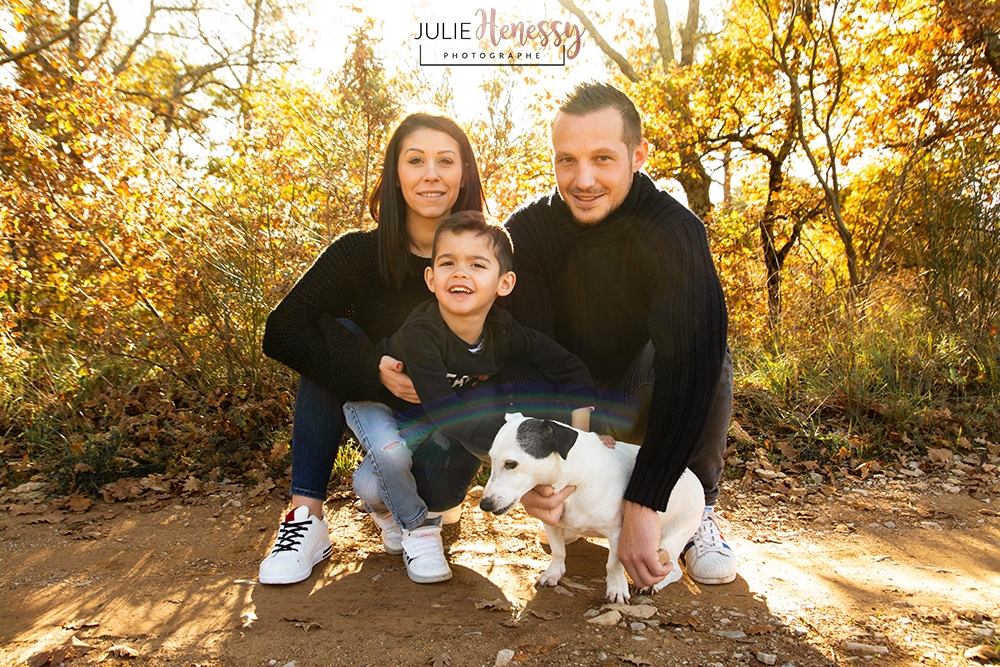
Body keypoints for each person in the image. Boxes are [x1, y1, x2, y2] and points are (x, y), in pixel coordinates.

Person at [502, 82, 736, 587]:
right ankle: (580, 502)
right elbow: (526, 355)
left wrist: (647, 501)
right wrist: (535, 474)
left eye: (603, 158)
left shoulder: (675, 232)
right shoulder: (530, 230)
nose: (582, 180)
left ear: (638, 155)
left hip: (647, 398)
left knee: (708, 353)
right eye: (567, 160)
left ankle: (696, 511)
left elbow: (687, 370)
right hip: (579, 414)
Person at [257, 113, 488, 585]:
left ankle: (405, 501)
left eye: (446, 161)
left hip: (445, 425)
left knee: (436, 497)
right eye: (415, 160)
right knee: (327, 332)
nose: (431, 173)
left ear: (463, 174)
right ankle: (305, 518)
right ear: (395, 173)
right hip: (376, 412)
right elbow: (281, 330)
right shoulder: (359, 254)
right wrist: (370, 370)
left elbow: (517, 347)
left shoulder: (488, 256)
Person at [343, 210, 607, 584]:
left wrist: (584, 432)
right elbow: (446, 411)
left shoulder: (503, 331)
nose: (460, 272)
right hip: (378, 405)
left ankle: (391, 509)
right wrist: (508, 448)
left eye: (477, 264)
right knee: (384, 468)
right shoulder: (422, 334)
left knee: (377, 481)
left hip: (421, 420)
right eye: (448, 262)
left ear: (504, 283)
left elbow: (568, 366)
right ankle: (414, 529)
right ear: (431, 279)